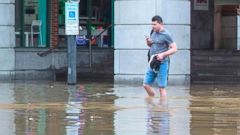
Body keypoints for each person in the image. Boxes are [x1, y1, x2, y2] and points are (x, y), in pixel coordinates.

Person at [143, 15, 177, 97]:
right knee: (146, 85)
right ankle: (152, 102)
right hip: (152, 62)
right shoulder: (153, 32)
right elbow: (150, 46)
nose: (152, 26)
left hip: (162, 63)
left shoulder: (167, 35)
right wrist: (148, 42)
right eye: (152, 24)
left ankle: (163, 108)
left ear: (161, 24)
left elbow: (175, 49)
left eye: (154, 24)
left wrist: (163, 54)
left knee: (161, 88)